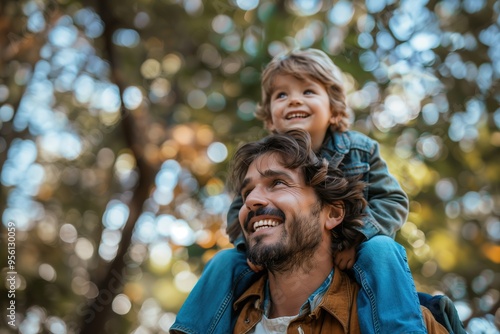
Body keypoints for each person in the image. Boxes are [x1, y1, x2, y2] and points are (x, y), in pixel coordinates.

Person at [171, 49, 424, 333]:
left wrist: (358, 237)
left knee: (382, 250)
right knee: (226, 261)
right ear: (270, 119)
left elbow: (392, 199)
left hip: (357, 244)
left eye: (308, 91)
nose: (293, 99)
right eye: (281, 95)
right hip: (285, 245)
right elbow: (237, 211)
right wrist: (249, 247)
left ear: (334, 109)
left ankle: (398, 328)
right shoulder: (263, 162)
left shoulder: (359, 150)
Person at [227, 129, 448, 333]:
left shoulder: (412, 323)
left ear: (332, 214)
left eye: (277, 182)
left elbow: (395, 201)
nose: (252, 200)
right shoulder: (220, 320)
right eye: (247, 192)